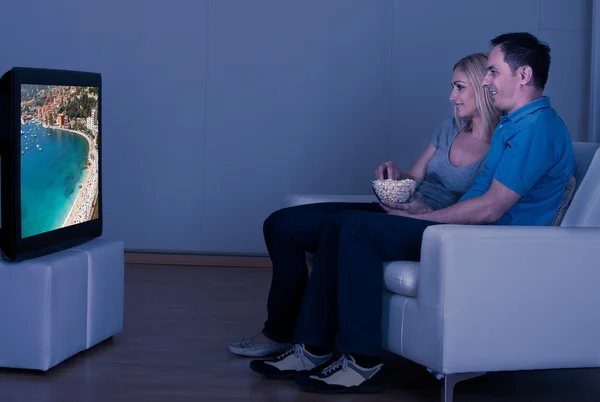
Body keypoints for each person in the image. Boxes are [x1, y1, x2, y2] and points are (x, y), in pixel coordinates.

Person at [248, 32, 575, 395]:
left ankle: (362, 363)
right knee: (342, 224)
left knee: (356, 229)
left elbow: (489, 207)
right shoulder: (515, 123)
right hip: (467, 234)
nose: (486, 80)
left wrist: (422, 219)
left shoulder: (537, 129)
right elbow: (479, 197)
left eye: (494, 72)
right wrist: (419, 207)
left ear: (524, 75)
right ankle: (312, 346)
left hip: (484, 244)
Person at [228, 52, 501, 358]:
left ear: (482, 87)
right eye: (453, 86)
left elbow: (483, 206)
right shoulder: (448, 129)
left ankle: (315, 345)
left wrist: (425, 212)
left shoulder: (503, 144)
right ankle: (280, 330)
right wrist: (396, 177)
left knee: (346, 226)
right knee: (280, 225)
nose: (452, 96)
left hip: (429, 226)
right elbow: (414, 178)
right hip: (398, 213)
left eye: (460, 87)